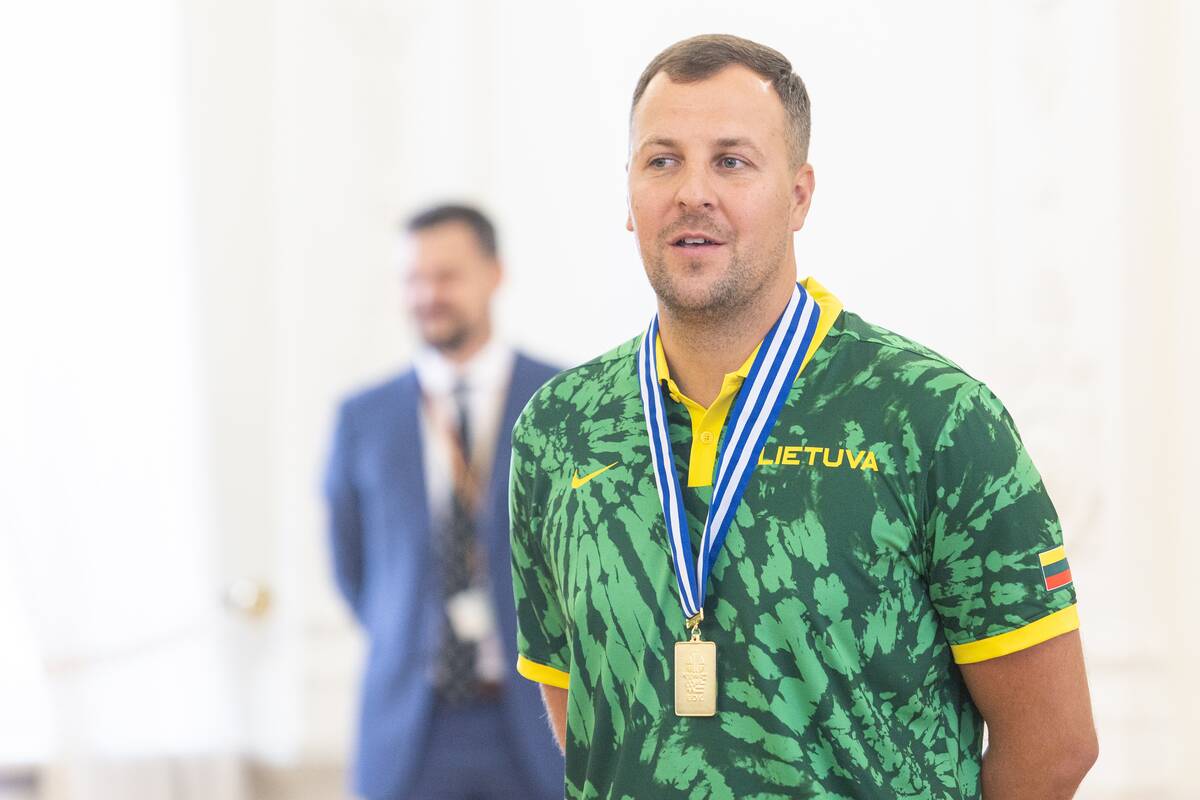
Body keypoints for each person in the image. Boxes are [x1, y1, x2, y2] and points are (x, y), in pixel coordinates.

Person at [509, 35, 1098, 799]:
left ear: (798, 195)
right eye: (662, 161)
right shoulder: (560, 429)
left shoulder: (934, 417)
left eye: (731, 161)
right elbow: (587, 721)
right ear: (628, 194)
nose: (692, 192)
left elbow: (1054, 744)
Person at [324, 204, 562, 800]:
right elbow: (353, 570)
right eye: (414, 279)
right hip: (411, 727)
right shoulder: (363, 419)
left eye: (447, 276)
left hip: (538, 723)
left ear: (495, 274)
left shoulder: (563, 403)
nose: (428, 295)